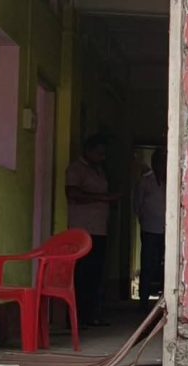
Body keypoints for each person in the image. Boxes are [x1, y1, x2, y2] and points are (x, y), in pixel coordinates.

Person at [66, 135, 120, 328]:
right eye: (99, 153)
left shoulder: (99, 170)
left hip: (99, 230)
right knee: (82, 274)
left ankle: (92, 315)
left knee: (95, 274)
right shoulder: (76, 169)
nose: (102, 157)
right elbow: (72, 193)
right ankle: (77, 317)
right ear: (88, 151)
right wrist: (104, 198)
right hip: (82, 230)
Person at [134, 148, 166, 312]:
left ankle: (165, 300)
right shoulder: (146, 181)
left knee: (166, 265)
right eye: (159, 162)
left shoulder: (173, 179)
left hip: (168, 231)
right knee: (148, 264)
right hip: (150, 228)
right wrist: (143, 220)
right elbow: (137, 205)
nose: (162, 165)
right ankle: (143, 301)